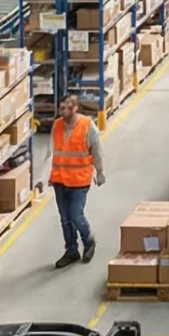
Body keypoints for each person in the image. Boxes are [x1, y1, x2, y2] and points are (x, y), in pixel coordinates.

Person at [47, 94, 104, 270]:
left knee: (75, 215)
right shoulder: (57, 125)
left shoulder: (87, 125)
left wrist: (100, 172)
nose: (63, 111)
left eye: (67, 108)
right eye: (61, 108)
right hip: (59, 179)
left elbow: (96, 151)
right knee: (65, 219)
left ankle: (89, 241)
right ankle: (71, 250)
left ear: (75, 108)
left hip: (79, 180)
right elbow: (52, 151)